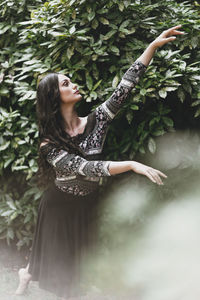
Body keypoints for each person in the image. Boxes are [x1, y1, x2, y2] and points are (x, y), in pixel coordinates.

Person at [15, 25, 184, 299]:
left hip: (86, 204)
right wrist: (131, 164)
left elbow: (124, 88)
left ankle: (27, 273)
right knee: (61, 276)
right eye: (65, 83)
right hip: (59, 206)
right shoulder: (49, 143)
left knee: (74, 266)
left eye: (71, 81)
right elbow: (86, 168)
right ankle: (29, 275)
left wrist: (152, 46)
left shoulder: (97, 121)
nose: (74, 84)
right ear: (54, 97)